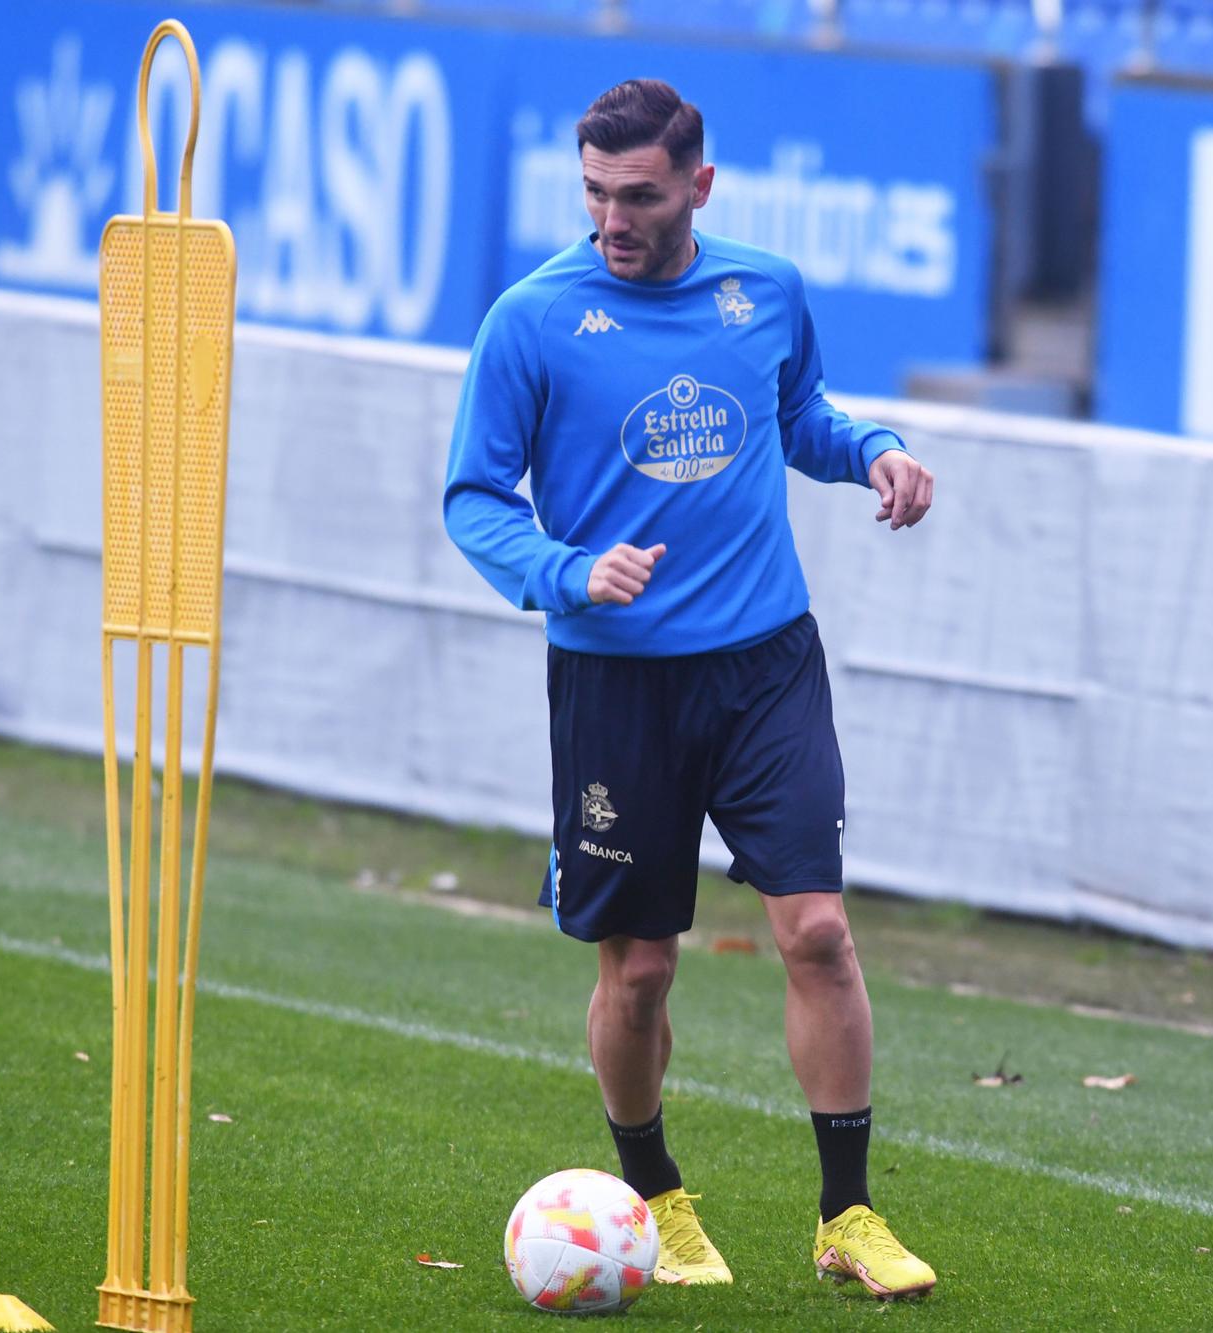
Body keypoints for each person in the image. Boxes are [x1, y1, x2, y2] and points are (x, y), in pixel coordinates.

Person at [443, 78, 937, 1299]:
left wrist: (871, 447)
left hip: (766, 664)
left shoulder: (761, 289)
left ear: (698, 187)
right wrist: (564, 570)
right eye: (596, 194)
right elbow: (471, 498)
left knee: (817, 932)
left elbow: (796, 415)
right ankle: (654, 1196)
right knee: (641, 969)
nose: (614, 217)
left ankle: (848, 1215)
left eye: (641, 195)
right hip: (614, 685)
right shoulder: (531, 319)